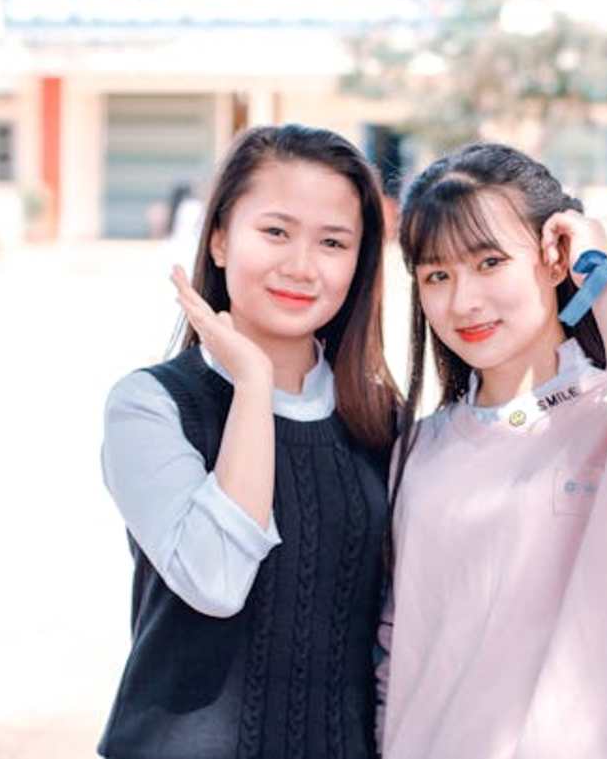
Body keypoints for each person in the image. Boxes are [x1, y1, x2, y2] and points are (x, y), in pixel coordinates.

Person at [377, 143, 607, 759]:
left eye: (490, 262)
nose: (463, 301)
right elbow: (392, 656)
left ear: (553, 258)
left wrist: (599, 278)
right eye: (438, 275)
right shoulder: (418, 450)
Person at [99, 124, 399, 759]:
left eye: (333, 242)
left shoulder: (381, 420)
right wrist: (255, 386)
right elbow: (216, 580)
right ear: (218, 239)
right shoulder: (151, 408)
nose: (300, 265)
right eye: (275, 232)